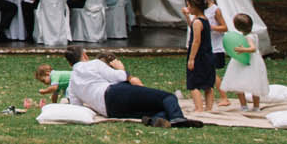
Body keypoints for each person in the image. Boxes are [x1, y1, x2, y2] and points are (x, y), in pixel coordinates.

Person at [68, 50, 199, 126]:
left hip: (109, 111)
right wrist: (121, 69)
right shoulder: (94, 64)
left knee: (156, 108)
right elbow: (119, 77)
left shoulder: (72, 82)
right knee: (168, 97)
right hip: (114, 92)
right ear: (84, 55)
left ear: (70, 63)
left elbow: (76, 106)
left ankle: (157, 119)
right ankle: (178, 119)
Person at [220, 13, 269, 112]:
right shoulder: (254, 35)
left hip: (249, 62)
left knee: (240, 82)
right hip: (253, 61)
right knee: (253, 83)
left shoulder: (249, 37)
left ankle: (246, 106)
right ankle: (255, 106)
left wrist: (243, 50)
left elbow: (253, 48)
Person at [196, 0, 230, 109]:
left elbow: (225, 27)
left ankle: (224, 96)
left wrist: (211, 27)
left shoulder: (215, 10)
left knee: (211, 72)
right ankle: (212, 96)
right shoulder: (199, 10)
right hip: (204, 47)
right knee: (208, 72)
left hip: (215, 47)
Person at [182, 0, 215, 114]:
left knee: (193, 84)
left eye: (189, 6)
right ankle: (209, 108)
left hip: (199, 56)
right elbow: (193, 27)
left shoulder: (197, 22)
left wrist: (191, 59)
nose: (187, 8)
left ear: (194, 7)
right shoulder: (203, 20)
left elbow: (196, 41)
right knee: (208, 84)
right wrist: (187, 16)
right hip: (208, 55)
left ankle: (199, 108)